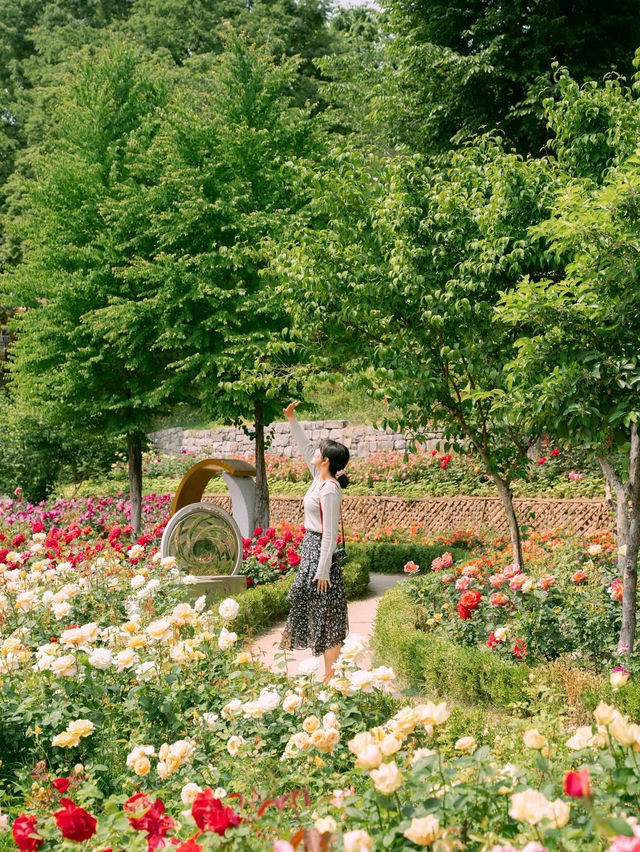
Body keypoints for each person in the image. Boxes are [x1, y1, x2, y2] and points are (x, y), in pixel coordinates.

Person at [280, 400, 350, 683]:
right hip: (311, 551)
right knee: (318, 611)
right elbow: (305, 447)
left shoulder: (330, 489)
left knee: (328, 613)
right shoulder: (317, 478)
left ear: (327, 461)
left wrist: (322, 570)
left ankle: (331, 676)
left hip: (321, 555)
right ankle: (330, 674)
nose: (314, 452)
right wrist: (291, 419)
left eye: (320, 451)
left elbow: (330, 534)